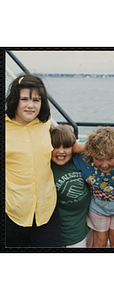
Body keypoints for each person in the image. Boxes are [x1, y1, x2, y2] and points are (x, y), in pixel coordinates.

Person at [5, 74, 61, 247]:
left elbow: (71, 146)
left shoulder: (48, 124)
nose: (31, 105)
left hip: (46, 211)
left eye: (36, 100)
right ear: (15, 100)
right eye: (24, 99)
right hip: (12, 212)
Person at [72, 127, 114, 248]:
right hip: (97, 207)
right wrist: (87, 145)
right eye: (98, 158)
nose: (104, 164)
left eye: (110, 158)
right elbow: (71, 148)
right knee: (99, 242)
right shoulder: (82, 158)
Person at [50, 125, 92, 248]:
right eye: (55, 146)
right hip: (66, 231)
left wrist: (82, 146)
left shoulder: (79, 160)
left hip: (86, 224)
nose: (61, 151)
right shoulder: (47, 167)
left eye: (66, 146)